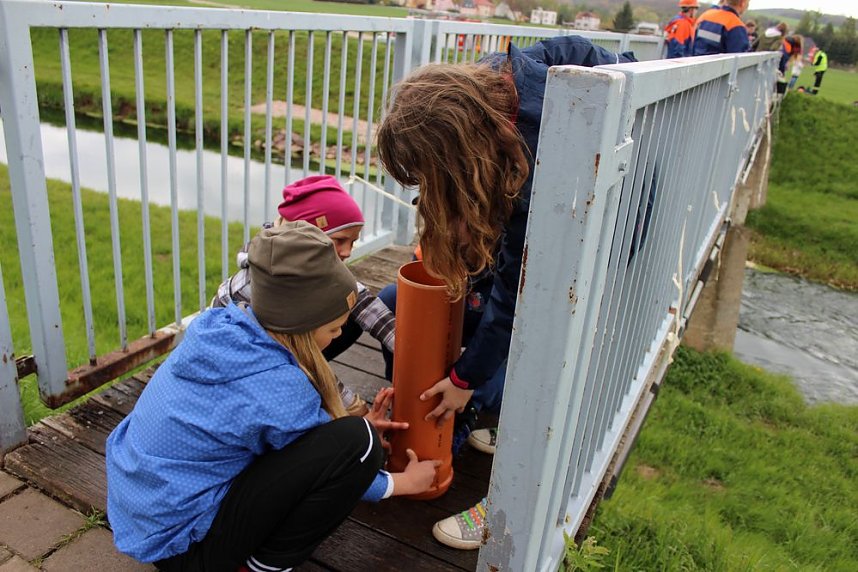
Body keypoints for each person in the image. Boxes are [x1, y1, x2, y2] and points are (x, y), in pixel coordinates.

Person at [375, 35, 636, 550]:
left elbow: (518, 290)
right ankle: (491, 418)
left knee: (546, 355)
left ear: (456, 151)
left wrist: (465, 377)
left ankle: (503, 509)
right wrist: (620, 70)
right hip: (562, 217)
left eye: (431, 174)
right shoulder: (492, 85)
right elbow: (573, 47)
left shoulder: (543, 155)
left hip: (603, 231)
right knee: (479, 312)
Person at [106, 222, 440, 571]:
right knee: (363, 443)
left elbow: (287, 435)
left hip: (142, 516)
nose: (340, 334)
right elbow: (340, 458)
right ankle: (260, 566)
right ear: (301, 324)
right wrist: (402, 483)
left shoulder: (219, 327)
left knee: (348, 437)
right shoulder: (281, 386)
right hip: (187, 547)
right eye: (333, 328)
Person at [212, 174, 397, 415]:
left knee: (349, 308)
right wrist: (353, 409)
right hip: (246, 371)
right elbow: (301, 355)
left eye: (353, 242)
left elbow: (359, 298)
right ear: (308, 237)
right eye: (340, 240)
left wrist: (403, 345)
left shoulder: (303, 259)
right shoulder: (267, 287)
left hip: (285, 348)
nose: (348, 251)